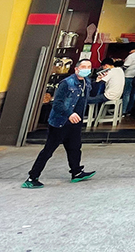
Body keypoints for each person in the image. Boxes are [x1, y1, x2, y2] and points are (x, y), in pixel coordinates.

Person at [22, 59, 96, 188]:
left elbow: (85, 98)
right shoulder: (67, 83)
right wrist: (69, 114)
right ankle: (32, 177)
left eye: (89, 67)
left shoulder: (86, 82)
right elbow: (57, 104)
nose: (87, 69)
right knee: (49, 150)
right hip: (60, 122)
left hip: (75, 122)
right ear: (76, 69)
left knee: (75, 148)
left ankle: (76, 172)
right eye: (84, 66)